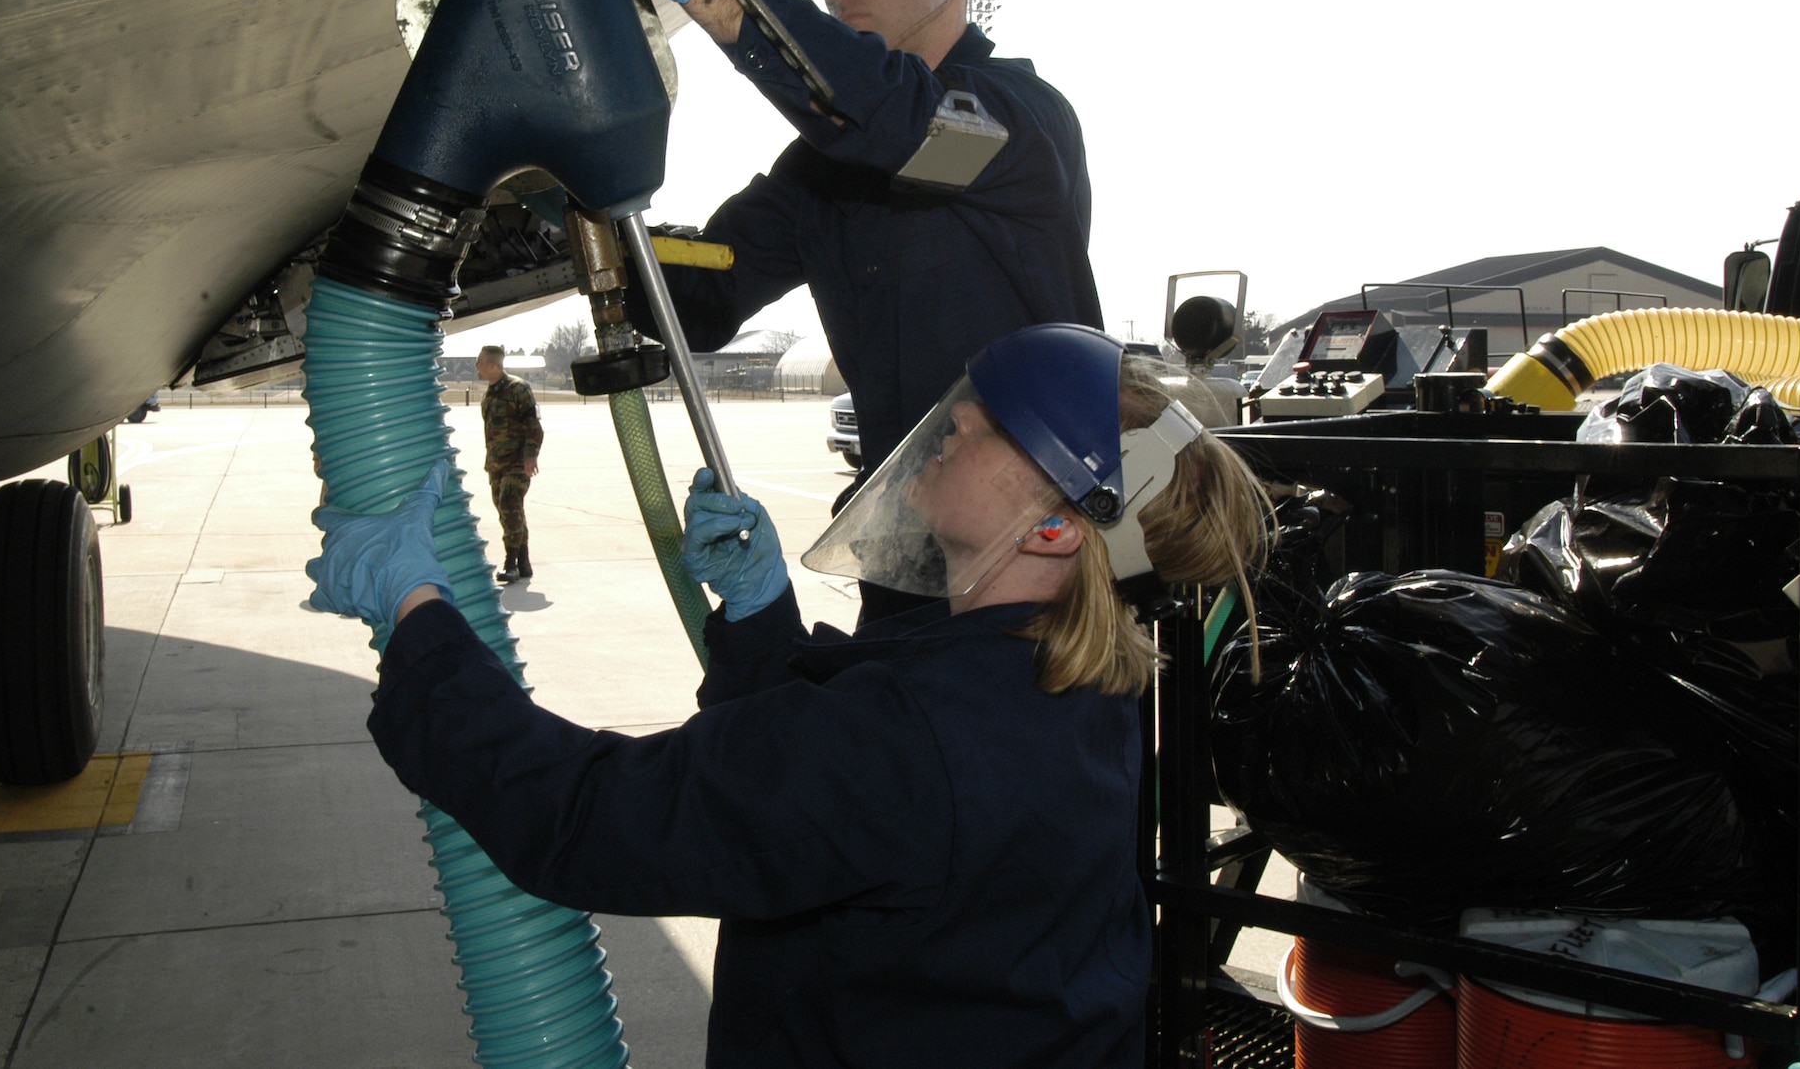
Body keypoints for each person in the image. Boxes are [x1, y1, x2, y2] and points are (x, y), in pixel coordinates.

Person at [305, 324, 1274, 1067]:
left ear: (1058, 530)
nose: (949, 427)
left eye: (988, 429)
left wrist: (418, 610)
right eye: (964, 405)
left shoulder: (911, 732)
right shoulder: (1076, 683)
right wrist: (764, 613)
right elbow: (830, 796)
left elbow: (591, 816)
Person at [530, 0, 1105, 619]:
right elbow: (708, 287)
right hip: (905, 563)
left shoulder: (1011, 126)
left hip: (1034, 576)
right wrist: (569, 201)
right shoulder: (828, 168)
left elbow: (903, 123)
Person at [475, 345, 541, 583]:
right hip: (496, 464)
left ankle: (510, 563)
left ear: (492, 366)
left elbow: (534, 425)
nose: (477, 367)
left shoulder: (518, 389)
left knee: (509, 505)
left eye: (480, 362)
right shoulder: (490, 393)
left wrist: (530, 456)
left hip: (516, 462)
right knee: (508, 513)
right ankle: (524, 561)